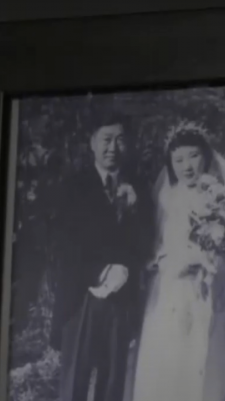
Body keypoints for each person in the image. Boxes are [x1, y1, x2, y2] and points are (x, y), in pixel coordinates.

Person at [128, 122, 225, 401]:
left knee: (205, 354)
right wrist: (172, 262)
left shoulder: (222, 194)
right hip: (172, 287)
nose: (186, 166)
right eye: (178, 160)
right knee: (171, 356)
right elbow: (156, 246)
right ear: (170, 163)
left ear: (206, 156)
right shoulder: (165, 198)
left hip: (208, 285)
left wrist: (223, 252)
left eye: (193, 156)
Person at [50, 113, 154, 401]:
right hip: (81, 295)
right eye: (106, 140)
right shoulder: (73, 186)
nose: (113, 148)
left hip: (122, 299)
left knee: (113, 380)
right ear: (92, 143)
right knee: (76, 379)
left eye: (120, 140)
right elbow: (61, 243)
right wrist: (100, 271)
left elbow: (146, 244)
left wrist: (134, 210)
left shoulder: (139, 187)